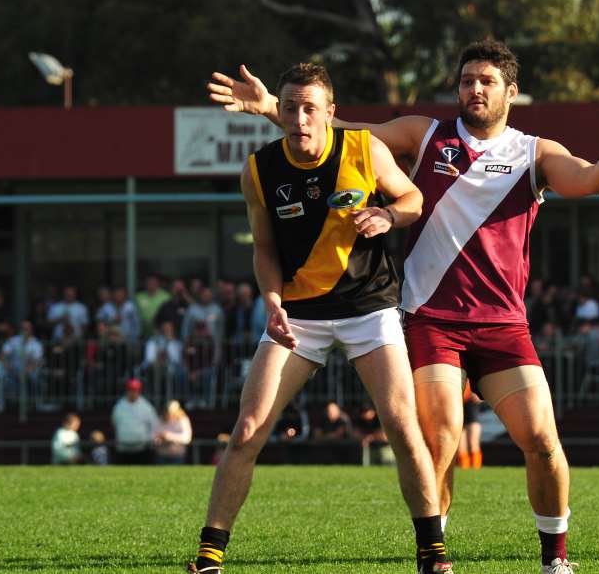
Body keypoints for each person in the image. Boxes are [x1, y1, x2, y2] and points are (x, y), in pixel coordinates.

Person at [210, 40, 599, 574]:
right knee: (439, 438)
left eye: (486, 81)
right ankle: (434, 555)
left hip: (503, 324)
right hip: (430, 320)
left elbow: (589, 180)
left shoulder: (533, 152)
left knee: (542, 440)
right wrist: (274, 108)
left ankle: (555, 558)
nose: (474, 89)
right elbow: (338, 136)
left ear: (511, 92)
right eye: (466, 80)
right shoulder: (423, 134)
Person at [189, 63, 452, 574]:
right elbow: (265, 250)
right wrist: (271, 301)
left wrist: (388, 215)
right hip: (298, 318)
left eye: (310, 108)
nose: (299, 118)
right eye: (289, 108)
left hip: (368, 309)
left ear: (330, 112)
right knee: (247, 430)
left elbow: (414, 199)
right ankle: (209, 556)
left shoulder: (364, 149)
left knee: (402, 426)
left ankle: (433, 553)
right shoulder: (259, 170)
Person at [111, 378, 160, 464]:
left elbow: (154, 425)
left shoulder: (146, 407)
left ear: (139, 391)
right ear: (127, 391)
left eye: (135, 390)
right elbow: (114, 422)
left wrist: (150, 440)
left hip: (142, 449)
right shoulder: (119, 407)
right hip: (124, 449)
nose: (132, 393)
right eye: (130, 390)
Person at [155, 399, 193, 465]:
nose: (169, 414)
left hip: (177, 456)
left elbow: (187, 438)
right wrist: (159, 438)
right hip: (161, 455)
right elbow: (153, 436)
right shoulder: (159, 419)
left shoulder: (183, 420)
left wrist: (168, 436)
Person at [457, 382, 483, 469]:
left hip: (470, 399)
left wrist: (479, 391)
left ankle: (476, 468)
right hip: (455, 399)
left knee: (473, 441)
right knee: (460, 443)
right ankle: (464, 468)